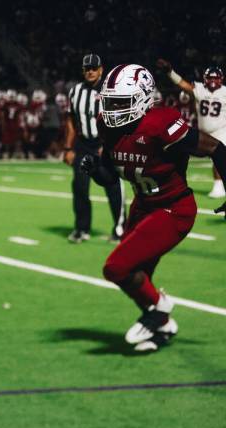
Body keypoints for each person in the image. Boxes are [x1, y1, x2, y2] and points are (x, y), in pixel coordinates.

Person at [82, 64, 226, 352]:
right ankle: (162, 327)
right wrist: (97, 172)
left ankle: (160, 309)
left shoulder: (160, 124)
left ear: (143, 99)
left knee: (115, 268)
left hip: (173, 209)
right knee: (136, 276)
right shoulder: (107, 125)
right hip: (143, 205)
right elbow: (113, 175)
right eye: (110, 102)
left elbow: (216, 148)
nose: (113, 109)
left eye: (121, 103)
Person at [63, 53, 125, 243]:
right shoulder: (75, 92)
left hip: (104, 144)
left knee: (113, 187)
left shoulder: (111, 91)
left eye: (94, 68)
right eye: (87, 68)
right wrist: (68, 148)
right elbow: (71, 120)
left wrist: (109, 145)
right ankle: (82, 229)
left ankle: (121, 229)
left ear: (101, 69)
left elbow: (119, 121)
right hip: (83, 145)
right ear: (83, 70)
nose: (90, 71)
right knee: (80, 187)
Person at [157, 59, 226, 199]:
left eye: (215, 78)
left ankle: (219, 186)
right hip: (203, 131)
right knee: (183, 155)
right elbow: (183, 85)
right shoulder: (200, 89)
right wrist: (171, 72)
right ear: (205, 79)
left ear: (221, 79)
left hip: (221, 129)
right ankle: (175, 183)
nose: (213, 80)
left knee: (220, 155)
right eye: (210, 78)